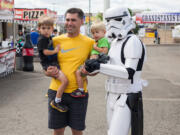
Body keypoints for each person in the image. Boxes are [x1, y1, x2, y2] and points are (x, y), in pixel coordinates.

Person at [84, 7, 146, 135]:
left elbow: (128, 72)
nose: (111, 24)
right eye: (108, 21)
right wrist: (94, 66)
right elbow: (112, 65)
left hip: (126, 95)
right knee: (111, 132)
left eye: (116, 20)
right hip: (111, 94)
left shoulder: (132, 41)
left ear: (125, 20)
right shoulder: (115, 43)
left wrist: (99, 67)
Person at [45, 8, 95, 135]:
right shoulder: (55, 41)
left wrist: (89, 72)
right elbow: (46, 68)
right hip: (56, 92)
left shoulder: (90, 43)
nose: (69, 23)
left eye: (73, 20)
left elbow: (95, 70)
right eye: (67, 20)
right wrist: (48, 71)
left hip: (78, 94)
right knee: (58, 130)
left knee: (77, 131)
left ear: (82, 22)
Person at [37, 15, 69, 112]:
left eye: (48, 28)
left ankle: (54, 96)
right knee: (65, 81)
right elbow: (45, 52)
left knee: (63, 80)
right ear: (39, 29)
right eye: (43, 28)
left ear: (52, 28)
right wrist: (55, 51)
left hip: (52, 63)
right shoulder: (42, 39)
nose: (46, 30)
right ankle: (57, 101)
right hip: (49, 64)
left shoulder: (49, 38)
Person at [71, 21, 110, 98]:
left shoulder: (103, 40)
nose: (94, 34)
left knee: (78, 72)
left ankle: (81, 90)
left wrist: (96, 48)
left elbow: (105, 51)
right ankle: (82, 89)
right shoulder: (98, 40)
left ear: (104, 32)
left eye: (97, 32)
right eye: (93, 33)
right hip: (93, 60)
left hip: (95, 60)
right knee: (81, 74)